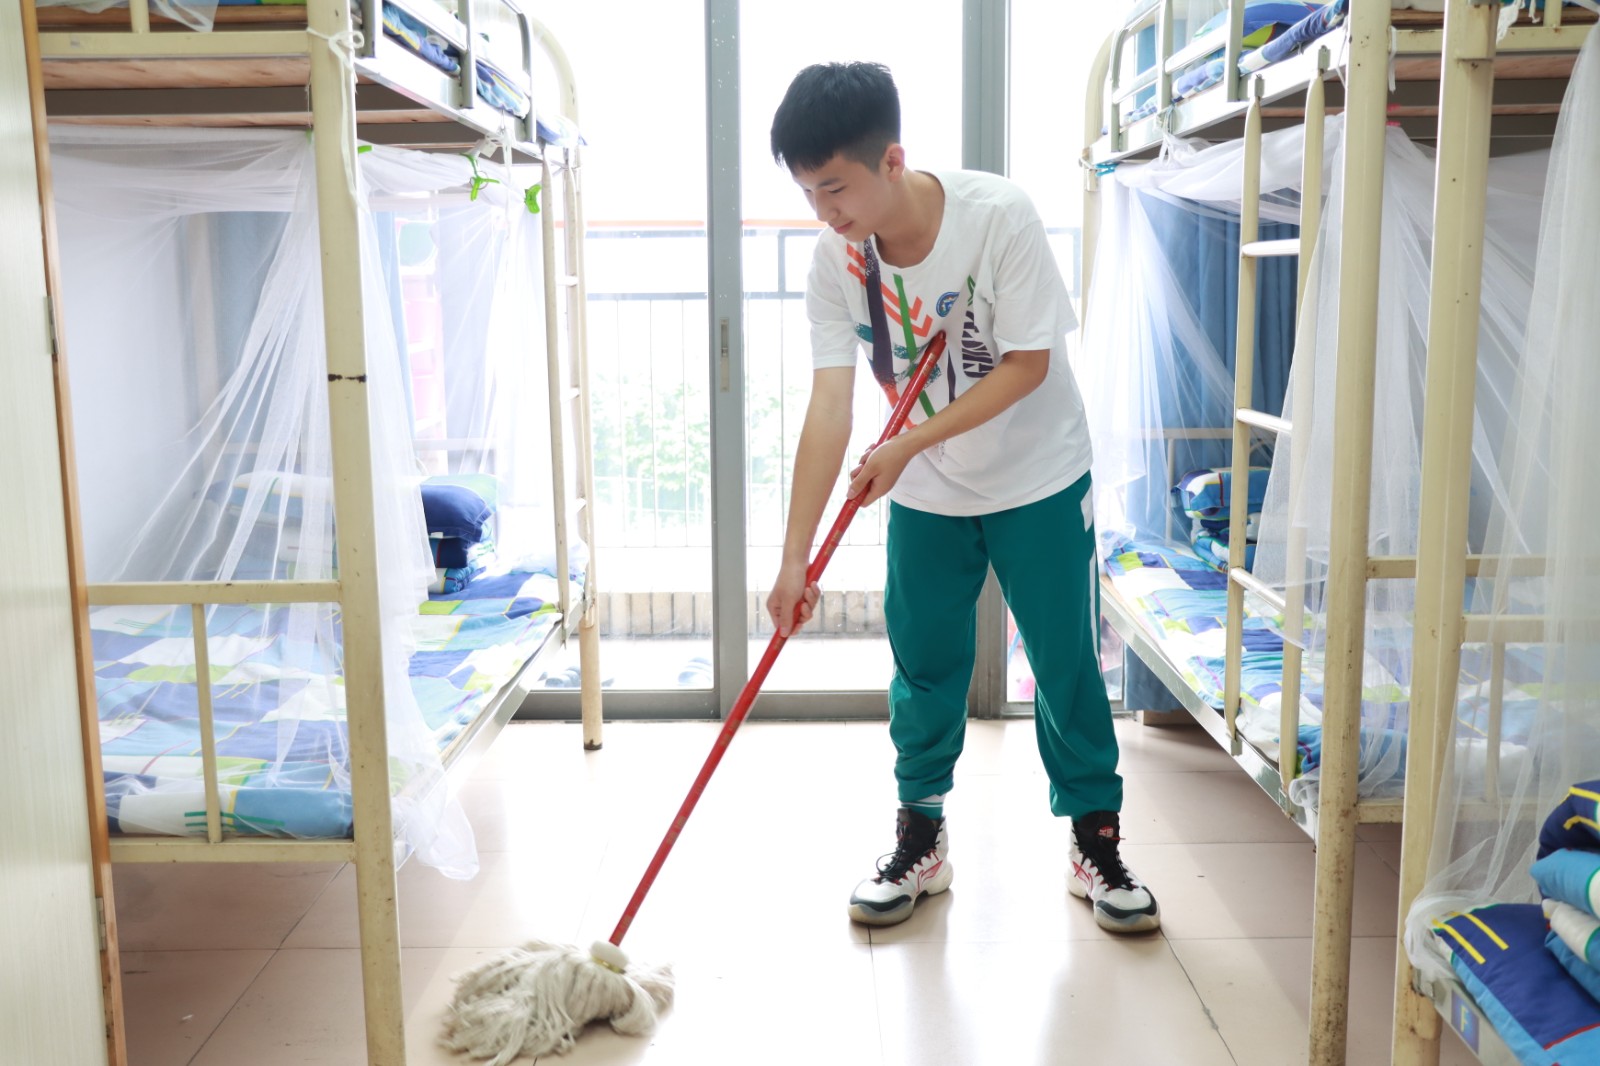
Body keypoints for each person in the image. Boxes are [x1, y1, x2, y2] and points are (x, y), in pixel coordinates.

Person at [765, 61, 1158, 934]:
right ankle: (921, 839)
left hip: (1037, 473)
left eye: (835, 188)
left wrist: (908, 442)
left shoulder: (997, 216)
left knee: (1062, 661)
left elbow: (1028, 365)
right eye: (807, 192)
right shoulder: (837, 262)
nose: (824, 211)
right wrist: (794, 559)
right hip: (926, 486)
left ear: (892, 159)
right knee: (924, 665)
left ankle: (1095, 841)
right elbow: (830, 406)